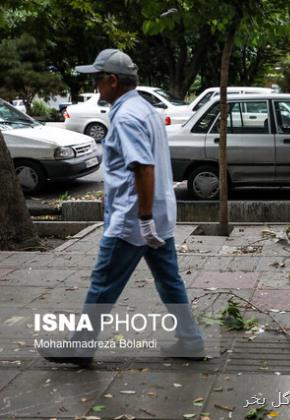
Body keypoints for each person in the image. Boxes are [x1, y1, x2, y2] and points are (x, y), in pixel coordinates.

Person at [39, 49, 204, 367]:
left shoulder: (127, 116)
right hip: (157, 212)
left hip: (133, 218)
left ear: (112, 81)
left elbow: (143, 167)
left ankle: (81, 347)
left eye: (98, 79)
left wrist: (142, 220)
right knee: (169, 279)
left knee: (103, 282)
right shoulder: (144, 108)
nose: (96, 85)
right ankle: (191, 340)